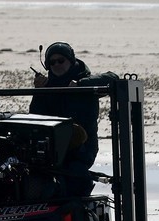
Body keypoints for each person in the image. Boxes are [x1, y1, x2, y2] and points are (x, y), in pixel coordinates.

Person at [28, 41, 117, 195]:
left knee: (74, 176)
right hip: (52, 148)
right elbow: (35, 116)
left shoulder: (85, 79)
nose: (57, 65)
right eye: (52, 62)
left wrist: (81, 85)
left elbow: (114, 78)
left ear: (71, 61)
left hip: (81, 149)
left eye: (61, 60)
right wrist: (39, 92)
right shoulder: (47, 86)